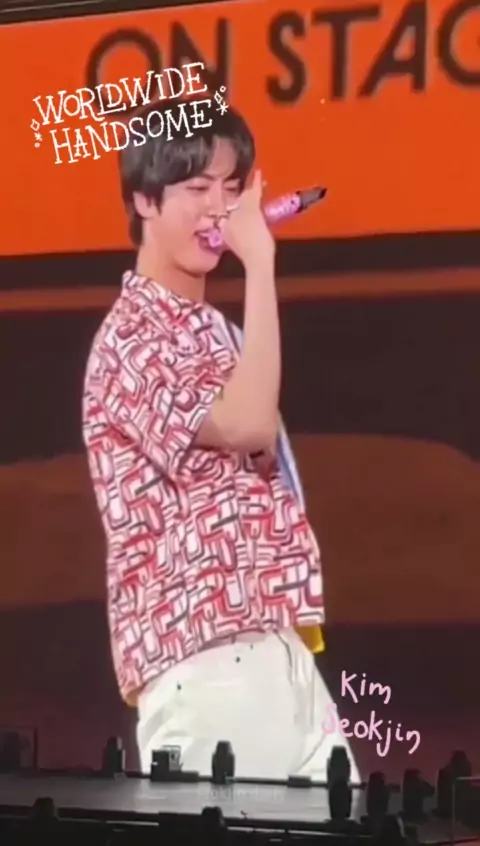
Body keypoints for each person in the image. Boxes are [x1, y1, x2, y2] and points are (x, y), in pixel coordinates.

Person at [82, 100, 360, 783]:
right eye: (197, 187)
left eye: (232, 189)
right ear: (145, 199)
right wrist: (259, 265)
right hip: (204, 669)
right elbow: (248, 425)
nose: (220, 209)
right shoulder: (129, 340)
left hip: (282, 653)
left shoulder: (218, 333)